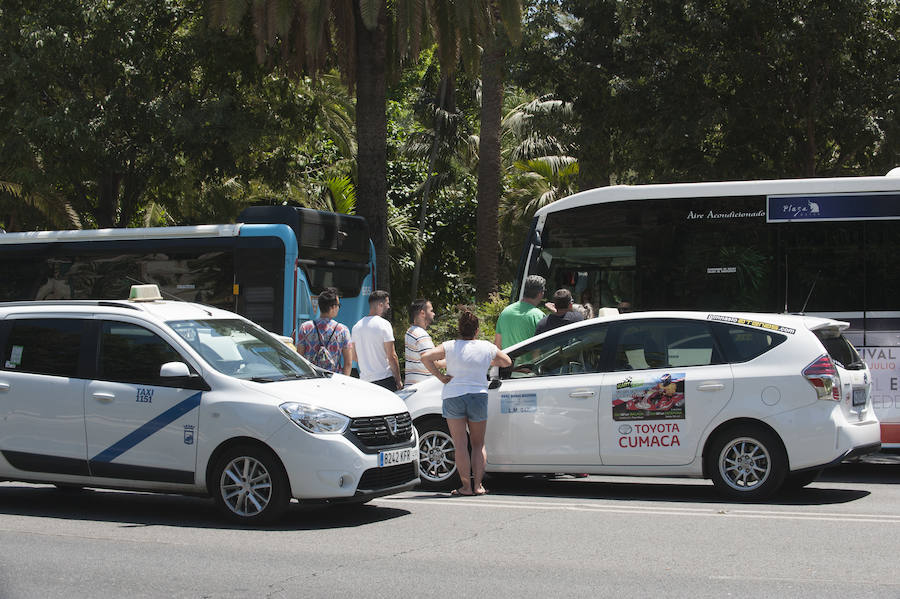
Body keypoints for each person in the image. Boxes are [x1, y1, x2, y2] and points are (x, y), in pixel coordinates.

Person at [421, 309, 511, 496]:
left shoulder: (450, 346)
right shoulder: (486, 347)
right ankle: (478, 486)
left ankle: (465, 487)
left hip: (453, 395)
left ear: (459, 329)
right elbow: (507, 361)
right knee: (478, 445)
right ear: (477, 330)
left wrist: (440, 377)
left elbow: (426, 357)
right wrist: (486, 361)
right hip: (477, 395)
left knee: (460, 444)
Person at [351, 290, 402, 391]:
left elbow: (354, 356)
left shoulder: (356, 327)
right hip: (384, 379)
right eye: (387, 303)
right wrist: (398, 380)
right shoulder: (384, 324)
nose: (389, 307)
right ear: (380, 305)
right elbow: (392, 356)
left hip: (365, 381)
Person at [296, 287, 352, 375]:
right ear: (333, 307)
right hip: (334, 380)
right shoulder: (343, 330)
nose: (338, 308)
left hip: (311, 378)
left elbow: (299, 358)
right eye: (338, 305)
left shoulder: (305, 327)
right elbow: (348, 363)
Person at [494, 275, 546, 349]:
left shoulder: (505, 312)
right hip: (530, 361)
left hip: (506, 359)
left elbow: (497, 345)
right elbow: (541, 348)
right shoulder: (539, 316)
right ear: (540, 294)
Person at [404, 298, 443, 387]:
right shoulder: (421, 335)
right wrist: (451, 361)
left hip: (412, 386)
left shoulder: (410, 331)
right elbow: (434, 363)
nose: (434, 313)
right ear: (422, 313)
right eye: (431, 310)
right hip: (422, 389)